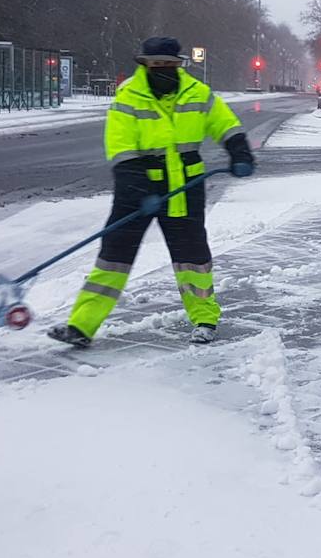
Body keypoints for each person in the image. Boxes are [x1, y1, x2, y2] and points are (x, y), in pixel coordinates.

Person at [48, 36, 256, 348]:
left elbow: (226, 125)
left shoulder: (197, 93)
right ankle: (81, 325)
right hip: (136, 187)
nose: (163, 70)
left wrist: (239, 151)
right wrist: (138, 189)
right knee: (113, 256)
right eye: (156, 65)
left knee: (192, 257)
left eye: (169, 65)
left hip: (185, 187)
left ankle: (205, 319)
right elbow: (120, 147)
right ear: (145, 64)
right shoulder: (129, 96)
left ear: (179, 65)